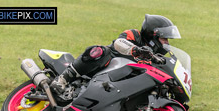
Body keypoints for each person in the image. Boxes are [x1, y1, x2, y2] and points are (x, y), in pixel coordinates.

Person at [51, 14, 181, 94]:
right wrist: (136, 50)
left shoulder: (157, 57)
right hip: (103, 67)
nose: (167, 42)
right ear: (153, 34)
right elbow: (119, 43)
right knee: (100, 51)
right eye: (164, 39)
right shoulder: (134, 34)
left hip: (117, 83)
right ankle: (63, 78)